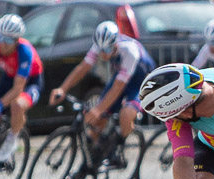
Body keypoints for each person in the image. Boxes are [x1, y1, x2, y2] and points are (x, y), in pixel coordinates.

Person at [49, 21, 153, 158]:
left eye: (108, 50)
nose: (104, 54)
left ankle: (118, 146)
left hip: (140, 81)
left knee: (125, 114)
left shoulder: (129, 51)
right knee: (97, 121)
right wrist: (62, 89)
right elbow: (83, 68)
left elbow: (118, 87)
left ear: (115, 43)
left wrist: (98, 109)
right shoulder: (100, 44)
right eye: (101, 50)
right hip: (121, 77)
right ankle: (94, 159)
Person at [0, 14, 43, 163]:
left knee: (17, 105)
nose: (4, 44)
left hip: (30, 82)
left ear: (17, 40)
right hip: (8, 78)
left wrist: (0, 105)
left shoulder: (25, 52)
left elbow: (18, 88)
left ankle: (12, 140)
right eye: (2, 38)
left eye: (9, 40)